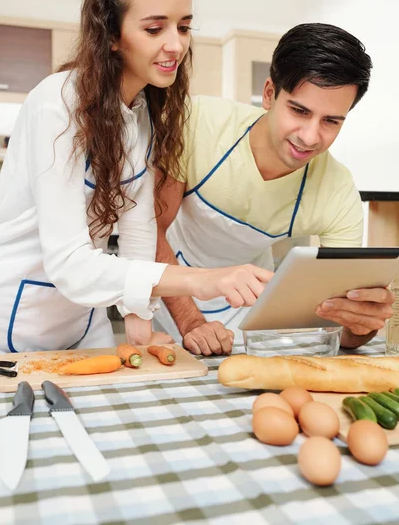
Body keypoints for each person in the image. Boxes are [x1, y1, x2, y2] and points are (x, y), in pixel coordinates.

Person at [0, 0, 271, 353]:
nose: (176, 44)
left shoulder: (140, 112)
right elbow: (69, 263)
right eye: (154, 28)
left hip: (84, 317)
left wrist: (139, 320)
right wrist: (201, 279)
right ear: (110, 32)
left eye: (183, 26)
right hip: (16, 317)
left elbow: (137, 228)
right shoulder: (55, 105)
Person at [155, 23, 394, 356]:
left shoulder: (337, 191)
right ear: (269, 93)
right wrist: (192, 322)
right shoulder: (199, 123)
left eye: (331, 121)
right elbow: (152, 229)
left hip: (251, 303)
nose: (310, 137)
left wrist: (361, 323)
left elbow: (343, 330)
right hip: (171, 287)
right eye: (299, 110)